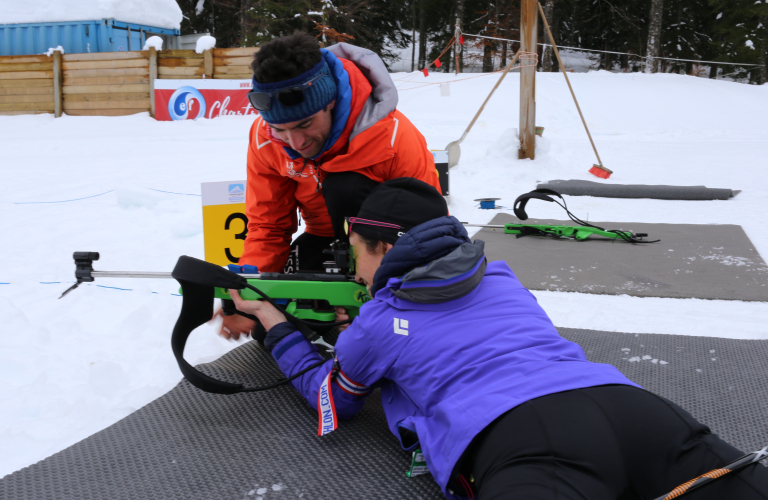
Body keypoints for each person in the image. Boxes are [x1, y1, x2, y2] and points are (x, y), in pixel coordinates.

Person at [229, 178, 768, 500]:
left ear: (383, 249)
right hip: (634, 410)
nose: (357, 272)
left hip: (525, 438)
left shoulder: (377, 322)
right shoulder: (501, 274)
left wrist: (272, 323)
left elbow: (329, 398)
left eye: (357, 254)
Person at [216, 32, 441, 341]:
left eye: (304, 124)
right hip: (322, 237)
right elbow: (268, 224)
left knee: (343, 186)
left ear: (331, 101)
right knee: (273, 331)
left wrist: (386, 298)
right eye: (280, 129)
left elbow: (427, 231)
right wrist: (248, 292)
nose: (295, 143)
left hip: (384, 249)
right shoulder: (264, 139)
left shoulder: (394, 138)